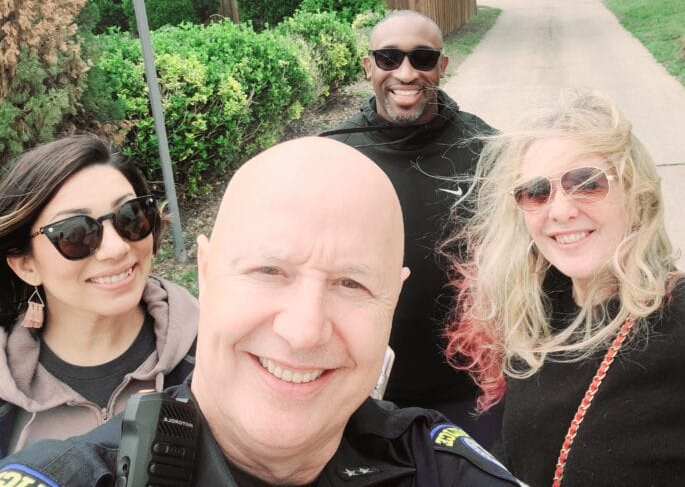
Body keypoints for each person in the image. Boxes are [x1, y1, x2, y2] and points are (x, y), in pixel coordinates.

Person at [0, 137, 524, 486]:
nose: (302, 330)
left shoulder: (438, 467)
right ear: (204, 272)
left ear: (393, 299)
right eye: (269, 271)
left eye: (352, 283)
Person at [446, 89, 685, 486]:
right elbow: (523, 454)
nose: (561, 210)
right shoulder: (537, 318)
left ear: (636, 193)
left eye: (586, 183)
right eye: (536, 192)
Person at [324, 10, 498, 442]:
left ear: (442, 65)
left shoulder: (488, 152)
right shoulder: (333, 157)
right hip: (366, 391)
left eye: (422, 58)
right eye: (388, 58)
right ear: (368, 67)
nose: (405, 73)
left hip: (474, 392)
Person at [0, 134, 198, 456]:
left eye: (130, 216)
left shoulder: (212, 352)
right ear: (26, 265)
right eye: (75, 234)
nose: (116, 248)